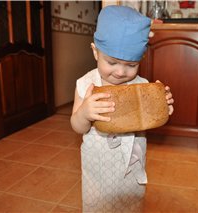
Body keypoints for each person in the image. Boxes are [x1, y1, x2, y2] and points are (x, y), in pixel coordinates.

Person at [70, 5, 174, 213]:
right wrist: (84, 113)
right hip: (97, 170)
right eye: (112, 62)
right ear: (95, 52)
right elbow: (77, 126)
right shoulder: (86, 84)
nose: (120, 72)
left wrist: (163, 107)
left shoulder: (141, 85)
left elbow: (152, 117)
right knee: (98, 207)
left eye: (131, 65)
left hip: (131, 168)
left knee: (130, 206)